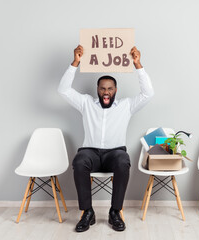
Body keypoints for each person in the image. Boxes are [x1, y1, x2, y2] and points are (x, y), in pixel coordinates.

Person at [58, 45, 154, 232]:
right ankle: (87, 212)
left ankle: (115, 212)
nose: (106, 92)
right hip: (90, 153)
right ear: (98, 90)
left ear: (116, 89)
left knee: (123, 160)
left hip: (115, 153)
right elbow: (63, 90)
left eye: (110, 88)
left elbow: (148, 94)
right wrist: (75, 62)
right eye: (103, 89)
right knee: (79, 160)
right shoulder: (86, 103)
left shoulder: (126, 106)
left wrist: (137, 64)